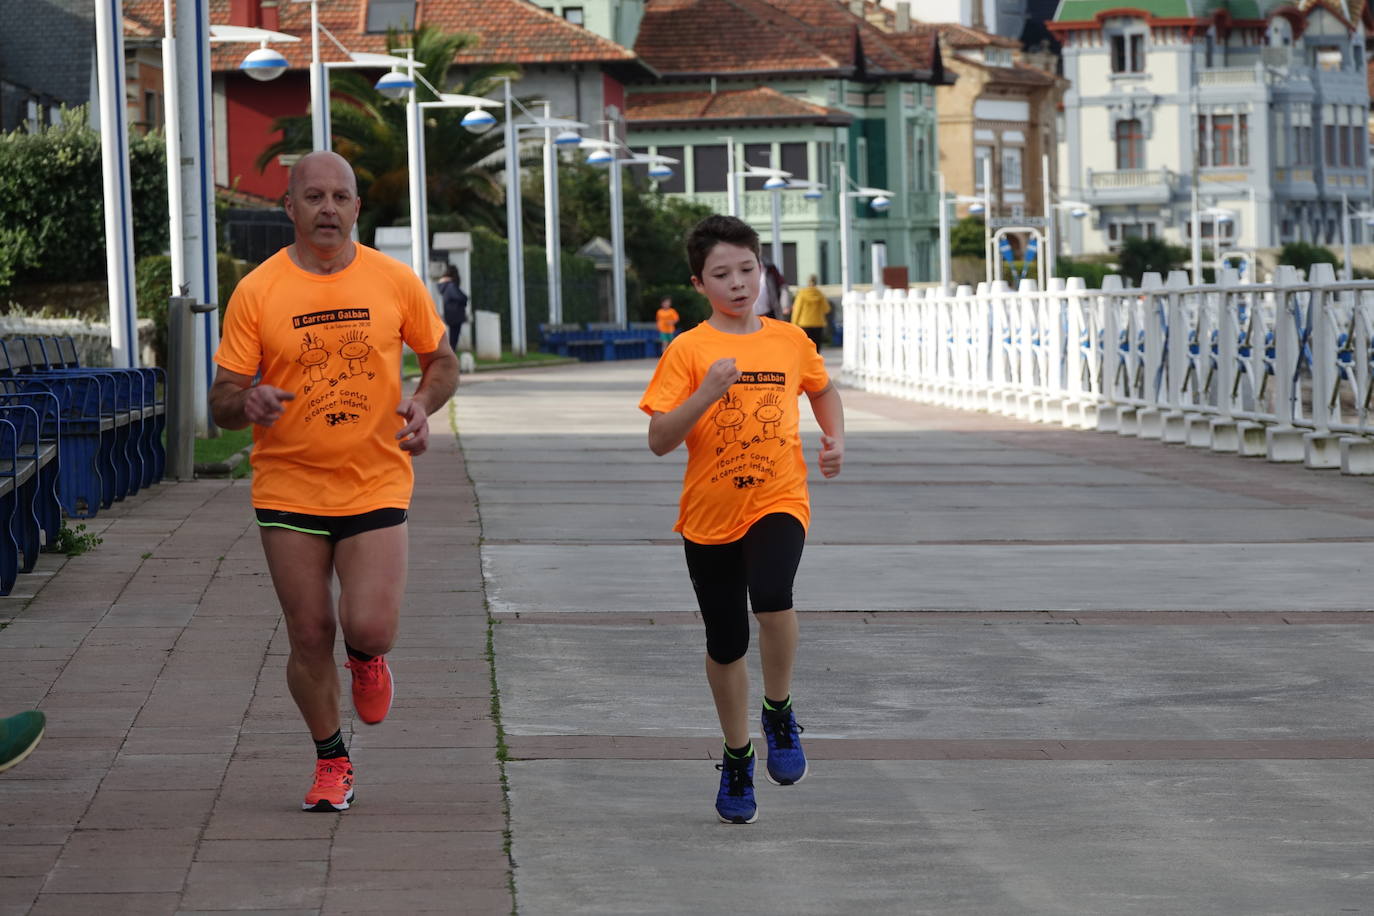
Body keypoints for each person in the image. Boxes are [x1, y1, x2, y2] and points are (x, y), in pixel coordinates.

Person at [209, 150, 458, 813]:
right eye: (312, 197)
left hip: (375, 478)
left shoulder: (393, 280)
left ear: (356, 207)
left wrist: (422, 405)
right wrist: (248, 401)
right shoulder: (259, 291)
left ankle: (368, 658)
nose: (327, 208)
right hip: (288, 487)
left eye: (340, 197)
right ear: (289, 208)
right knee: (309, 633)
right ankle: (331, 761)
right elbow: (221, 398)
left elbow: (441, 359)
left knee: (368, 625)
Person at [639, 214, 845, 825]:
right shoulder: (688, 348)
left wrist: (835, 438)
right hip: (708, 515)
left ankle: (778, 710)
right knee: (726, 641)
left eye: (747, 269)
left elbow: (822, 389)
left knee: (774, 592)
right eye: (722, 274)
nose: (738, 283)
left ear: (762, 270)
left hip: (779, 497)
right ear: (699, 283)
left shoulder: (789, 339)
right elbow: (659, 438)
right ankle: (737, 756)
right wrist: (705, 392)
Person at [790, 274, 831, 351]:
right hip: (818, 324)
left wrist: (794, 323)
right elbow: (826, 309)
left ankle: (807, 362)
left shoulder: (802, 294)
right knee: (816, 347)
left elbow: (797, 310)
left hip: (804, 324)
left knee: (806, 347)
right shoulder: (820, 294)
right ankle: (815, 362)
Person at [438, 263, 469, 353]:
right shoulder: (451, 286)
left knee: (452, 339)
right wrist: (465, 299)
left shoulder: (445, 286)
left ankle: (451, 357)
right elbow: (462, 297)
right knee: (453, 340)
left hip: (450, 315)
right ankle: (451, 359)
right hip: (455, 316)